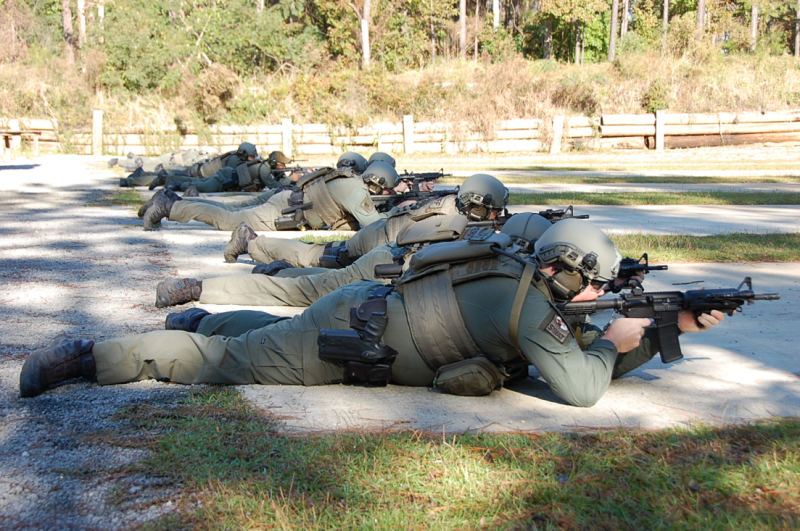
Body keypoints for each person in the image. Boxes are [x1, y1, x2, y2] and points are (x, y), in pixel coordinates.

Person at [17, 218, 726, 406]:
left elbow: (571, 342)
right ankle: (90, 357)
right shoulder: (529, 309)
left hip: (362, 314)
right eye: (593, 285)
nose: (598, 298)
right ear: (565, 273)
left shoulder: (519, 277)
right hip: (348, 339)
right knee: (227, 366)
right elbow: (578, 383)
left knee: (266, 337)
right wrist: (618, 344)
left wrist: (676, 324)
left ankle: (196, 320)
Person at [153, 212, 552, 309]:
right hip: (384, 269)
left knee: (307, 282)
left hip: (385, 260)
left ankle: (274, 265)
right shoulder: (497, 253)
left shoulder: (484, 238)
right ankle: (195, 288)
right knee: (294, 293)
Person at [226, 173, 510, 268]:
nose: (498, 216)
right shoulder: (449, 218)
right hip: (376, 241)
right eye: (495, 210)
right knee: (316, 258)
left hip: (382, 236)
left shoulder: (456, 207)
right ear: (477, 208)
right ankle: (251, 242)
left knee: (318, 253)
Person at [140, 160, 398, 232]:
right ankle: (170, 208)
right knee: (228, 220)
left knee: (228, 211)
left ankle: (173, 201)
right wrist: (399, 210)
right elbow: (373, 225)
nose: (385, 193)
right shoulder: (356, 190)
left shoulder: (347, 180)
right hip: (282, 212)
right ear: (378, 182)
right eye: (386, 189)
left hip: (286, 202)